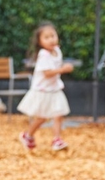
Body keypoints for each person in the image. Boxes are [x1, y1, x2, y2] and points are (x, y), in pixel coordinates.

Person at [17, 22, 74, 151]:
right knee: (42, 117)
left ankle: (57, 140)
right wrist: (63, 69)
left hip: (54, 89)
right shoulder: (43, 55)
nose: (51, 40)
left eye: (53, 36)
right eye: (46, 37)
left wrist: (63, 68)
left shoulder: (57, 51)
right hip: (43, 90)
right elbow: (47, 73)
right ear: (39, 41)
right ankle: (28, 135)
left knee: (59, 114)